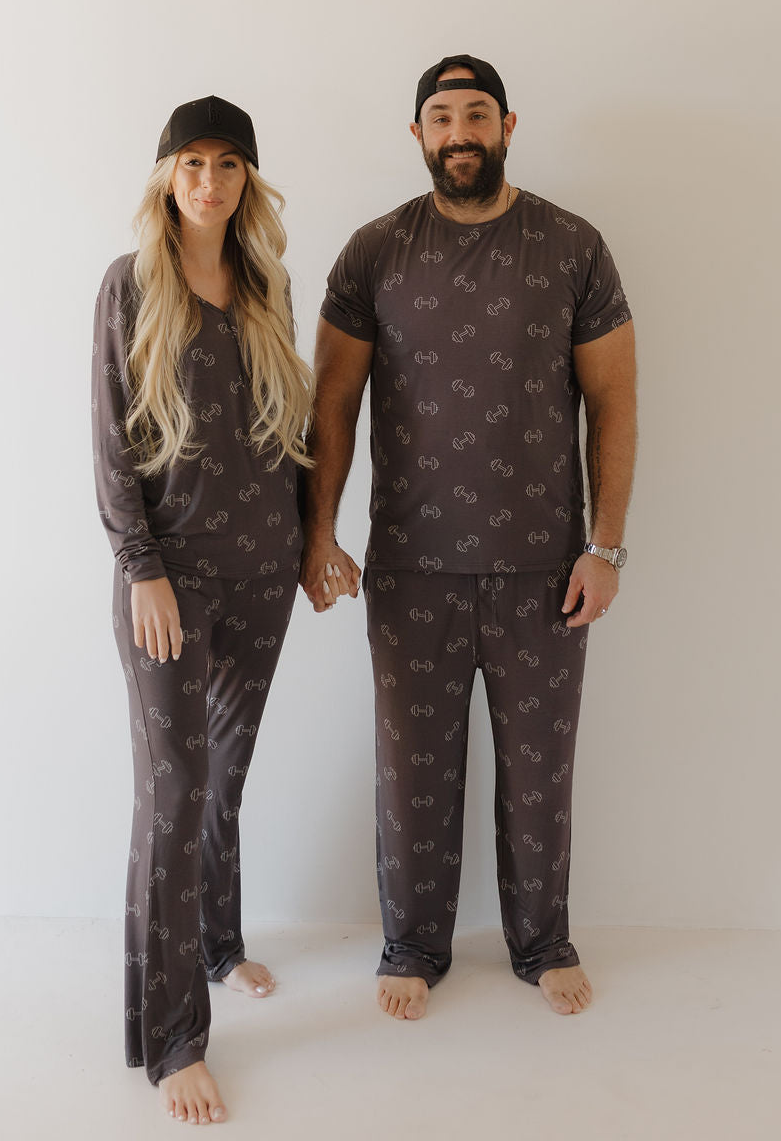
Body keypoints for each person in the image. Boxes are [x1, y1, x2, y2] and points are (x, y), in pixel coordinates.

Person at [301, 54, 636, 1023]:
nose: (460, 132)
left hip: (546, 568)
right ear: (416, 134)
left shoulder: (571, 245)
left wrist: (603, 546)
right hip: (410, 567)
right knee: (411, 773)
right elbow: (334, 402)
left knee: (540, 772)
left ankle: (543, 943)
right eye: (440, 116)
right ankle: (411, 945)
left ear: (507, 126)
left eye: (476, 114)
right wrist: (316, 534)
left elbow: (611, 399)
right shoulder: (373, 252)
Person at [92, 95, 313, 1123]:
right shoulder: (129, 287)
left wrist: (315, 543)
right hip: (169, 584)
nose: (209, 183)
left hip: (263, 573)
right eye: (191, 163)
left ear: (248, 182)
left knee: (221, 779)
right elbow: (110, 441)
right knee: (172, 796)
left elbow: (291, 433)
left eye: (228, 165)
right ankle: (172, 1035)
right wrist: (141, 567)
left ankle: (219, 947)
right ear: (164, 176)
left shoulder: (265, 287)